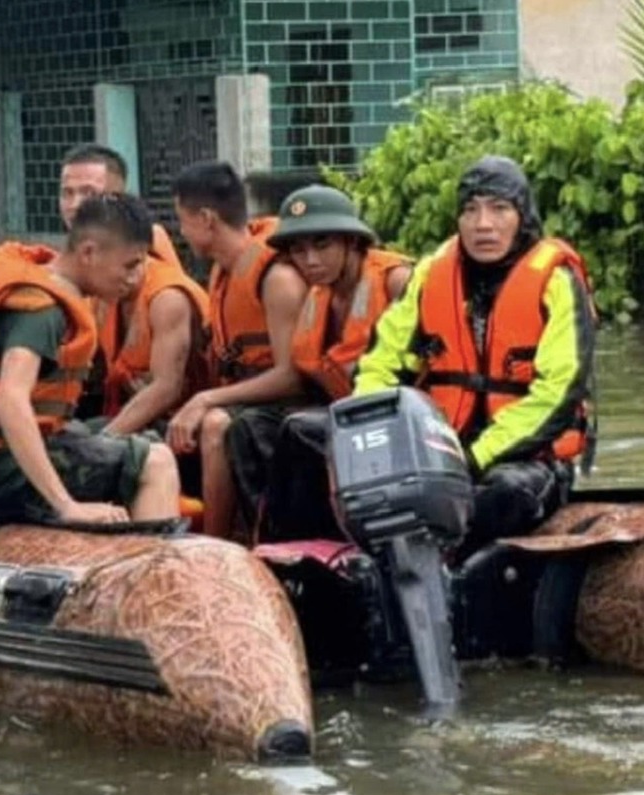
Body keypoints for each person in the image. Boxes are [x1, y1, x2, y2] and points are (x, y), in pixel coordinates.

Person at [353, 155, 596, 555]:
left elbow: (557, 393)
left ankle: (448, 568)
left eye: (499, 208)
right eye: (470, 210)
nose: (483, 223)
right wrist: (373, 437)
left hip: (525, 458)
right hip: (437, 446)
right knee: (305, 434)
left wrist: (473, 457)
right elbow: (381, 363)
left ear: (523, 215)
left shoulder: (557, 281)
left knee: (507, 491)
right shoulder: (432, 274)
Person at [0, 193, 180, 527]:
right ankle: (156, 576)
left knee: (125, 437)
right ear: (89, 253)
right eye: (131, 265)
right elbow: (9, 403)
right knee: (155, 461)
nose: (136, 277)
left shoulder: (41, 278)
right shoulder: (43, 311)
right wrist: (67, 505)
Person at [243, 185, 412, 541]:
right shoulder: (319, 294)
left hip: (396, 423)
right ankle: (272, 540)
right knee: (250, 427)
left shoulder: (395, 281)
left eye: (322, 245)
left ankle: (304, 539)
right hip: (341, 414)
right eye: (299, 250)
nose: (310, 260)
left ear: (352, 242)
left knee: (300, 429)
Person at [167, 160, 308, 539]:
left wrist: (205, 399)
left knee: (215, 423)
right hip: (244, 398)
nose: (180, 232)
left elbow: (292, 376)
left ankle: (219, 548)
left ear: (207, 219)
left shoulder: (277, 278)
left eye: (182, 220)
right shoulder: (222, 271)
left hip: (291, 404)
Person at [57, 143, 209, 434]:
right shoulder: (83, 273)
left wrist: (101, 443)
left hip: (177, 423)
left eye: (88, 193)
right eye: (67, 193)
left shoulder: (165, 294)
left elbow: (167, 388)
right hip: (122, 411)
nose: (75, 205)